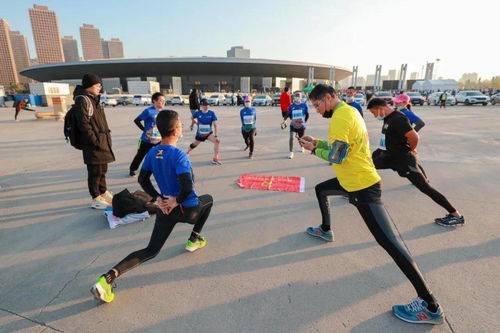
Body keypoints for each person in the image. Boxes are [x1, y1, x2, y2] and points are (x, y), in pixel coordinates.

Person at [299, 84, 445, 325]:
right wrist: (319, 143)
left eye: (317, 105)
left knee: (390, 243)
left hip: (362, 186)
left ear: (328, 97)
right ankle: (325, 229)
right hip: (352, 181)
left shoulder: (339, 117)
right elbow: (345, 146)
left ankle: (430, 305)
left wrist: (314, 149)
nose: (316, 111)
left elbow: (338, 156)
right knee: (321, 189)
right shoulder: (349, 111)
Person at [91, 110, 214, 303]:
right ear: (175, 131)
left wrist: (158, 199)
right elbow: (187, 186)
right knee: (209, 200)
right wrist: (175, 200)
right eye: (180, 124)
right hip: (187, 209)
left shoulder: (152, 152)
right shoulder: (179, 155)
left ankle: (107, 278)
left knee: (151, 250)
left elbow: (142, 178)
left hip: (164, 210)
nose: (181, 126)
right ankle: (194, 239)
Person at [367, 98, 465, 227]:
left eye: (374, 112)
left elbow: (414, 136)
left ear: (381, 108)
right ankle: (359, 192)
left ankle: (455, 215)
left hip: (403, 160)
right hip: (389, 157)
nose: (374, 116)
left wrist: (410, 149)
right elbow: (386, 140)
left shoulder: (398, 118)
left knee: (426, 188)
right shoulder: (388, 118)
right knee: (365, 166)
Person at [73, 74, 115, 209]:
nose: (99, 88)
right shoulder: (83, 100)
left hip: (102, 140)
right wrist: (94, 139)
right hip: (93, 143)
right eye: (97, 86)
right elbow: (83, 123)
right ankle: (96, 197)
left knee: (102, 169)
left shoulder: (94, 99)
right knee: (95, 172)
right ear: (89, 86)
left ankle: (103, 192)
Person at [128, 92, 166, 177]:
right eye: (161, 100)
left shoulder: (162, 112)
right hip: (146, 139)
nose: (163, 102)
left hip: (158, 139)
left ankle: (158, 170)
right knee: (140, 155)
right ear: (154, 101)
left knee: (159, 155)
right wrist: (144, 130)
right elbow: (137, 120)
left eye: (164, 100)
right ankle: (133, 169)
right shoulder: (148, 111)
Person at [186, 98, 222, 165]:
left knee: (217, 141)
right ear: (201, 106)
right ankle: (187, 152)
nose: (207, 106)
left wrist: (216, 135)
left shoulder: (211, 113)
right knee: (194, 144)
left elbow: (215, 124)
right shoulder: (197, 113)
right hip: (200, 134)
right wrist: (196, 123)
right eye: (205, 105)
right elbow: (192, 118)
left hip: (208, 133)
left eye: (208, 105)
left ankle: (215, 158)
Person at [287, 91, 309, 159]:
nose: (297, 97)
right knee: (291, 138)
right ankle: (291, 152)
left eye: (298, 96)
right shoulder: (291, 106)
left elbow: (307, 115)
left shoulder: (304, 105)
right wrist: (284, 120)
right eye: (296, 96)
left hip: (301, 126)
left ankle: (302, 147)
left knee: (301, 139)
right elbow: (288, 114)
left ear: (301, 97)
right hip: (293, 125)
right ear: (294, 97)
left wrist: (304, 122)